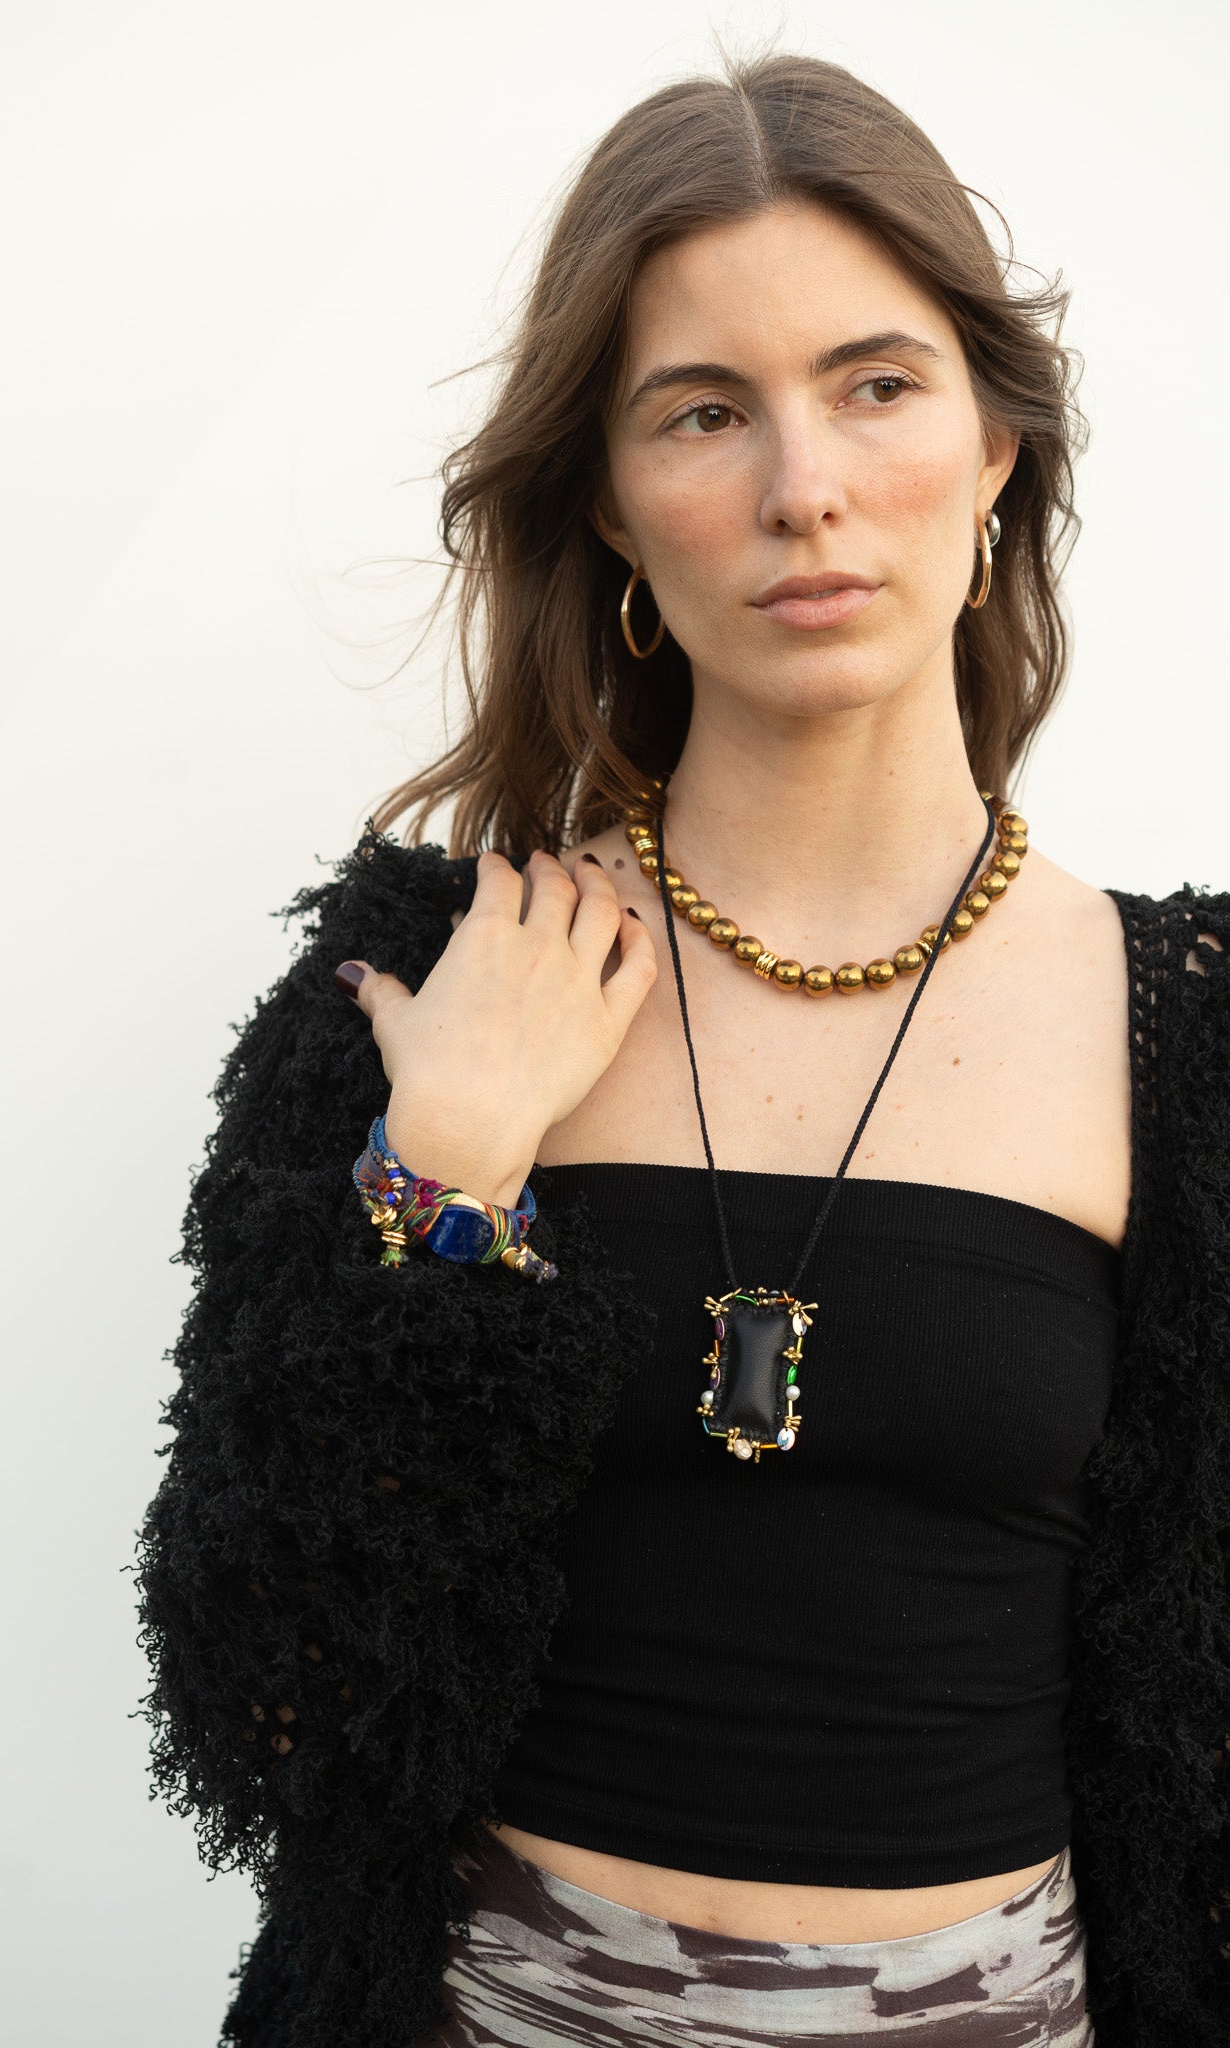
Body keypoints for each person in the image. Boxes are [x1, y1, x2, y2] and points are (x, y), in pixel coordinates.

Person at [133, 49, 1230, 2048]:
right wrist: (441, 1181)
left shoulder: (1192, 1034)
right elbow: (259, 1704)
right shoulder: (414, 984)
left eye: (875, 384)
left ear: (995, 445)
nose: (802, 486)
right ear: (611, 506)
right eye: (703, 412)